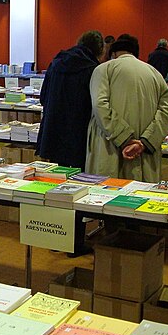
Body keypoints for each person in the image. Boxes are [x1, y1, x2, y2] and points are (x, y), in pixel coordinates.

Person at [36, 30, 104, 258]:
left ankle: (57, 238)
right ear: (99, 50)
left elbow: (43, 97)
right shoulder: (92, 69)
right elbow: (96, 106)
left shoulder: (56, 63)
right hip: (77, 136)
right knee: (78, 189)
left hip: (53, 133)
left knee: (57, 185)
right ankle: (74, 244)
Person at [86, 34, 168, 183]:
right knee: (142, 197)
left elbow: (100, 106)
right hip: (144, 154)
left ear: (113, 53)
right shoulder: (154, 73)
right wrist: (144, 142)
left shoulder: (103, 70)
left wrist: (125, 139)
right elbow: (167, 112)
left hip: (110, 150)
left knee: (108, 195)